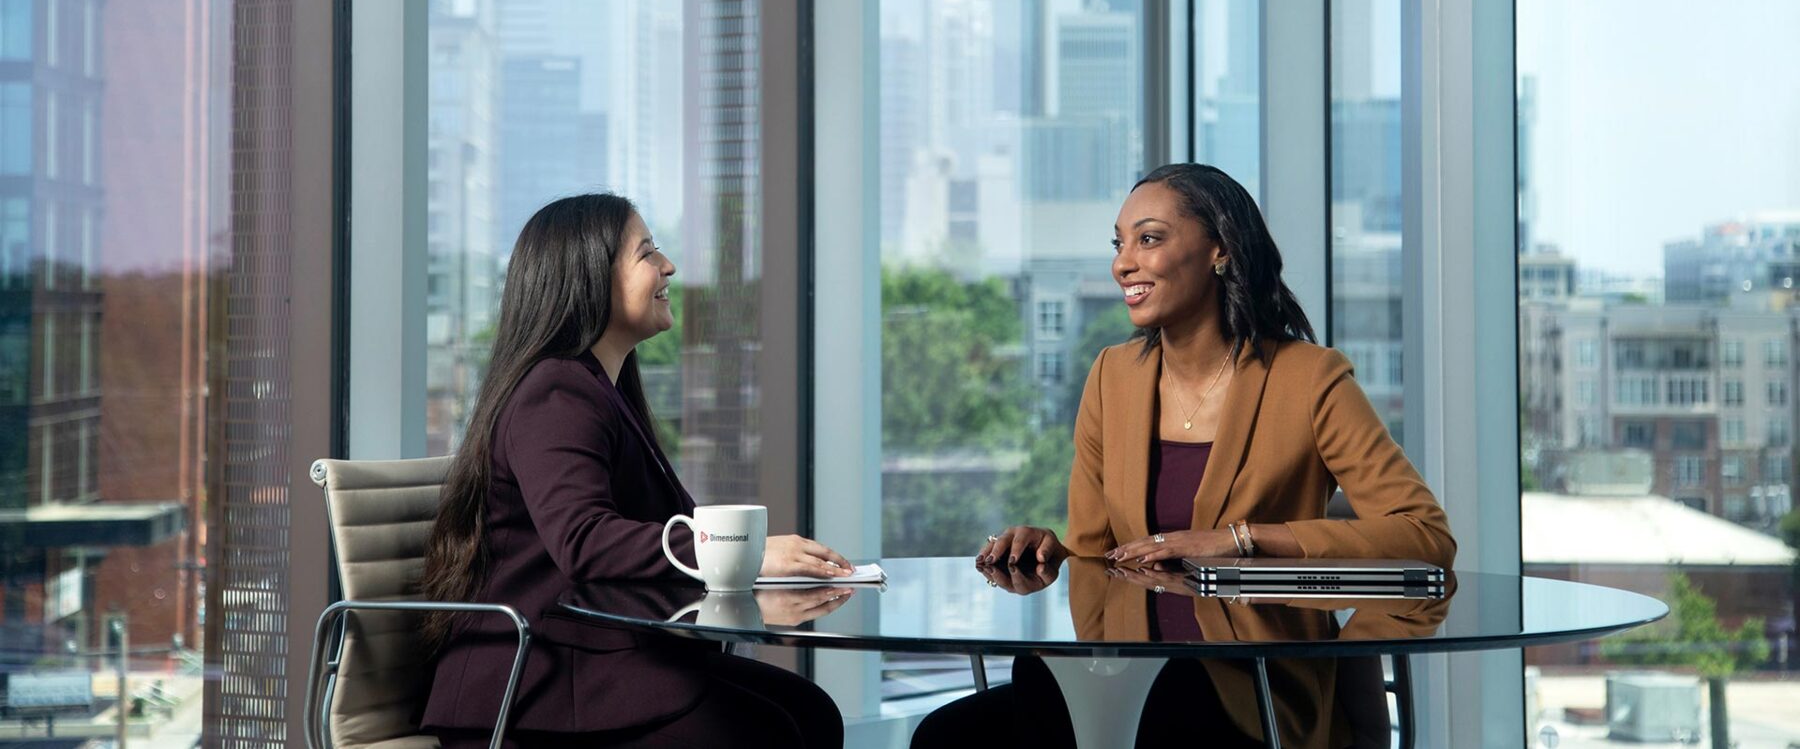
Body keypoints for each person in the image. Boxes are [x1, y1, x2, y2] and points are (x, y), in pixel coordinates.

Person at [916, 163, 1455, 748]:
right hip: (1125, 673)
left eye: (1149, 239)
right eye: (1119, 243)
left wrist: (1239, 539)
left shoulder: (1309, 379)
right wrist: (1049, 547)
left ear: (1220, 249)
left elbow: (1424, 537)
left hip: (1252, 687)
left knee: (1112, 707)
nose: (1124, 262)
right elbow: (1101, 558)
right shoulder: (1111, 376)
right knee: (951, 733)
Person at [419, 193, 851, 748]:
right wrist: (746, 553)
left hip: (590, 660)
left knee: (810, 712)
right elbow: (584, 539)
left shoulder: (602, 389)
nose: (668, 266)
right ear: (589, 278)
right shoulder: (554, 392)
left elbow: (658, 525)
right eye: (647, 253)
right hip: (533, 684)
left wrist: (759, 564)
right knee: (774, 731)